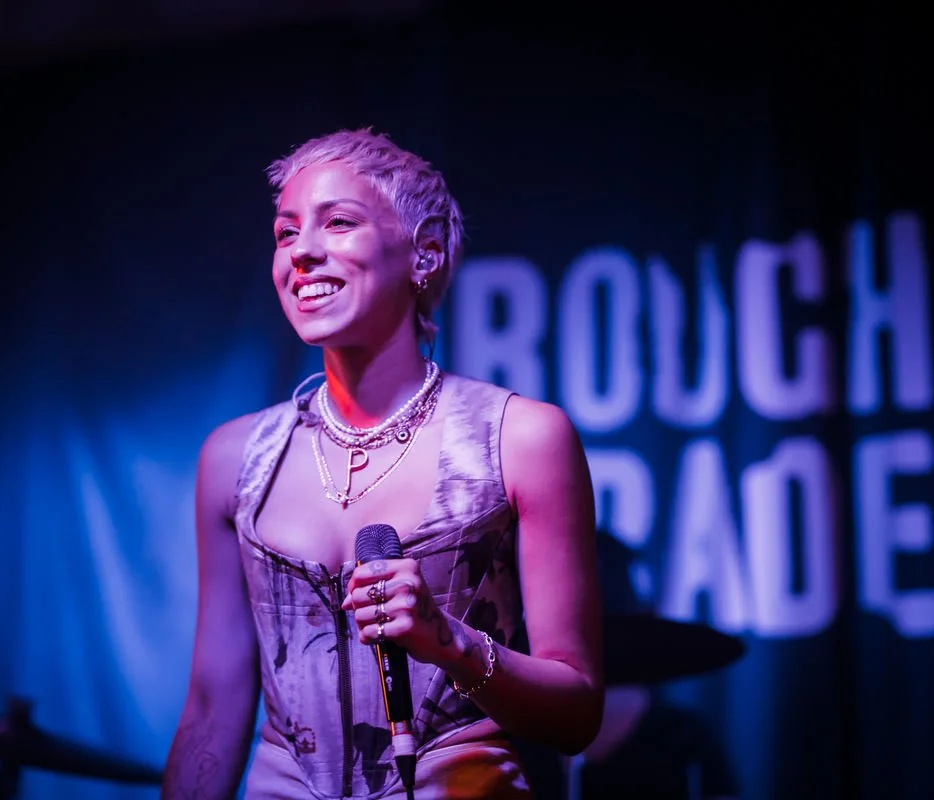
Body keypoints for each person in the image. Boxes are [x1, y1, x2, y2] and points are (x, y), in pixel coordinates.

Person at [161, 127, 604, 800]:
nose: (303, 252)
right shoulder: (234, 460)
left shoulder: (520, 438)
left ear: (423, 252)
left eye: (338, 223)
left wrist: (448, 642)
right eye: (285, 234)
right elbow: (211, 710)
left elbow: (577, 713)